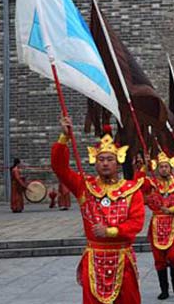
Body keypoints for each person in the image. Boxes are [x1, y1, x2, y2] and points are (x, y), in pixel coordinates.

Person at [52, 117, 145, 304]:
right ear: (95, 161)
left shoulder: (131, 190)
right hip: (94, 258)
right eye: (101, 159)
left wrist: (110, 231)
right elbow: (59, 168)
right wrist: (64, 137)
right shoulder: (84, 186)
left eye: (109, 159)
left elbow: (136, 223)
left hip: (122, 258)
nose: (105, 163)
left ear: (117, 162)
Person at [142, 152, 174, 300]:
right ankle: (164, 289)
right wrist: (145, 165)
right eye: (161, 167)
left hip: (173, 222)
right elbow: (140, 187)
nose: (163, 169)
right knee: (159, 259)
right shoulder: (152, 184)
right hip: (157, 223)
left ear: (170, 168)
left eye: (166, 167)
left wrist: (173, 209)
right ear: (157, 168)